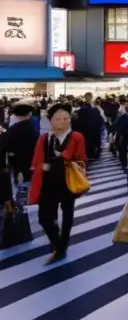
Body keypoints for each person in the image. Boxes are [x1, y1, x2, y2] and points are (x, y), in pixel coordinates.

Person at [27, 103, 87, 265]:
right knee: (44, 217)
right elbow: (37, 158)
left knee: (67, 214)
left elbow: (81, 159)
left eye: (65, 118)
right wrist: (38, 167)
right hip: (48, 183)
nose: (61, 122)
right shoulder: (45, 138)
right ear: (50, 120)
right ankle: (58, 243)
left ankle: (61, 246)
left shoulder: (76, 137)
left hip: (68, 181)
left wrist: (63, 156)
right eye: (57, 119)